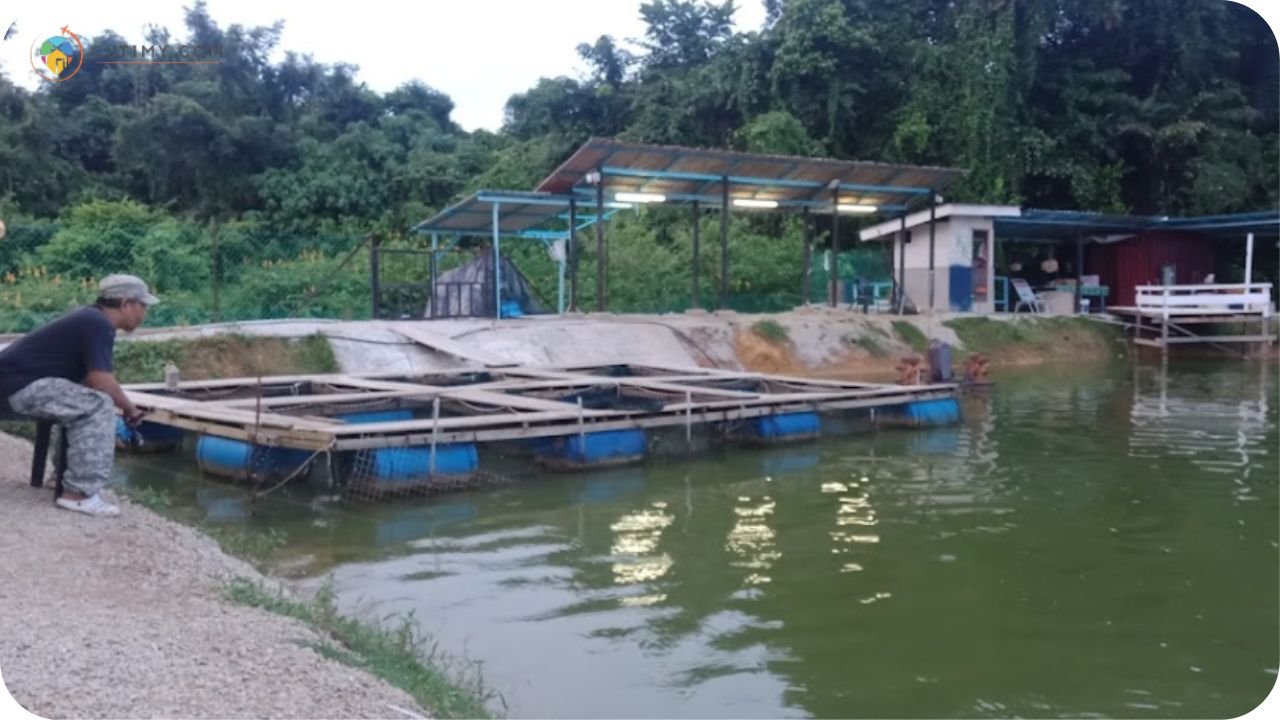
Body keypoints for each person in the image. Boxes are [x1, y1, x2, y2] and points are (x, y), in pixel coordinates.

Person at [0, 274, 159, 517]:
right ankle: (79, 494)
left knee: (83, 402)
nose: (144, 313)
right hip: (16, 388)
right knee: (97, 405)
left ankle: (61, 478)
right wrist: (130, 409)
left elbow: (90, 380)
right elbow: (101, 380)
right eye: (143, 306)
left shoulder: (90, 319)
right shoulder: (98, 324)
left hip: (11, 388)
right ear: (127, 304)